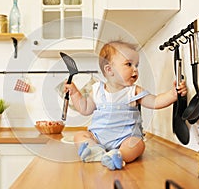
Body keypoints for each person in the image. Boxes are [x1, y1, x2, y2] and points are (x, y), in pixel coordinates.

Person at [64, 41, 187, 170]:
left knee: (138, 144)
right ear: (109, 69)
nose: (135, 69)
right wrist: (74, 93)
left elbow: (155, 101)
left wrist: (173, 95)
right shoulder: (97, 90)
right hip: (98, 137)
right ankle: (95, 151)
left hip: (125, 139)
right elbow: (84, 108)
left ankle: (118, 155)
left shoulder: (133, 91)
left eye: (137, 65)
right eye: (129, 64)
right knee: (79, 136)